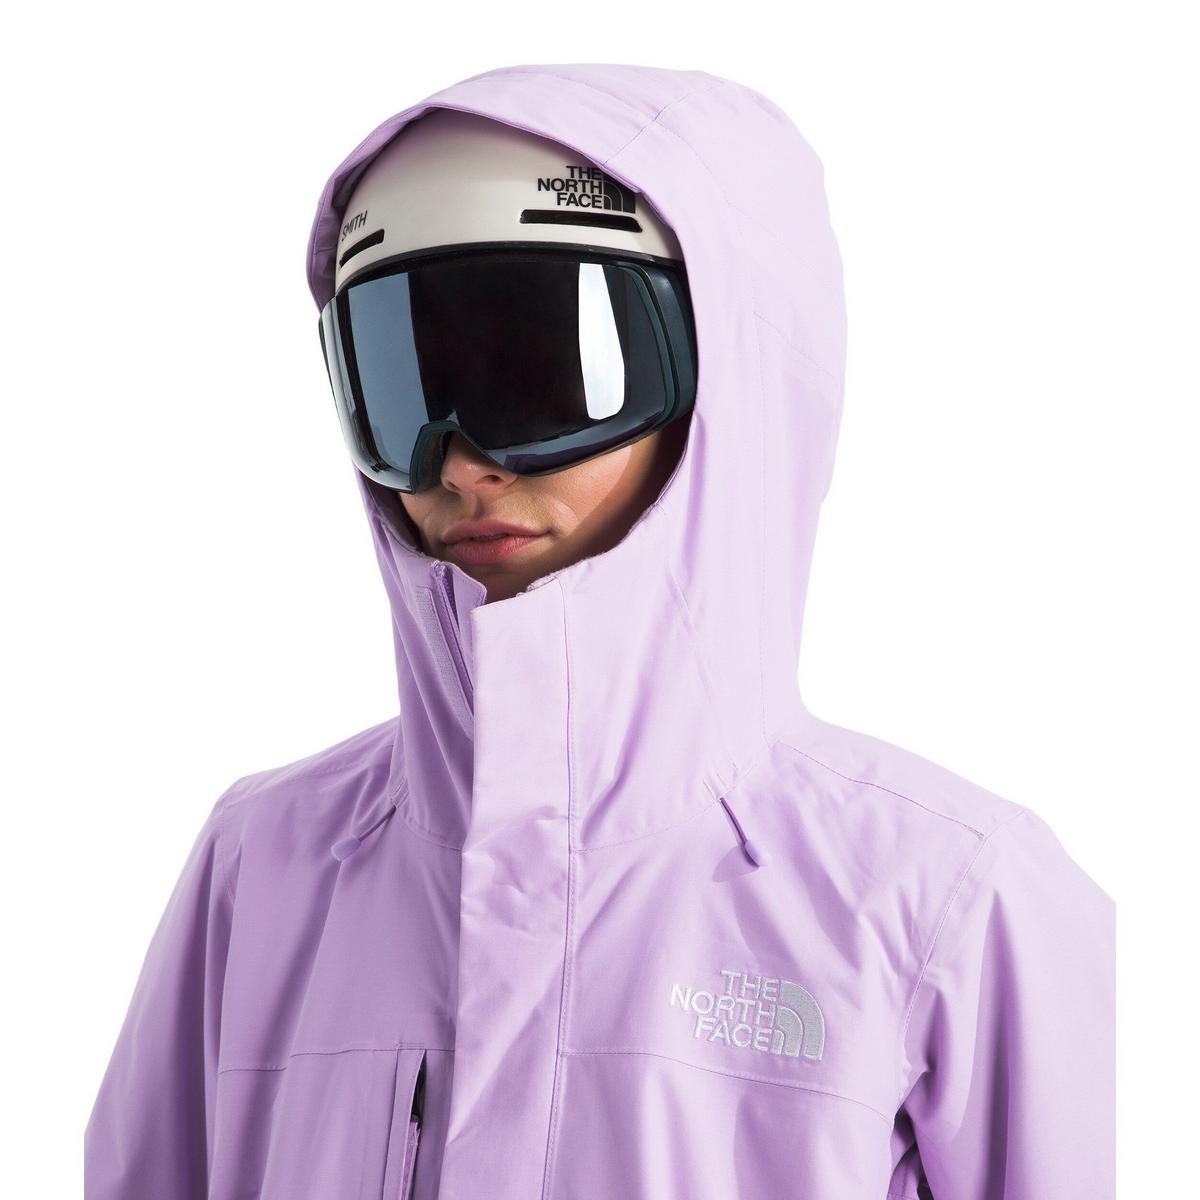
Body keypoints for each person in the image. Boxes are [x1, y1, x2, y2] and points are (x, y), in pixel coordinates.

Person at [84, 65, 1115, 1200]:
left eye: (540, 375)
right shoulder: (265, 866)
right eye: (405, 386)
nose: (462, 465)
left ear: (728, 380)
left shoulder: (948, 899)